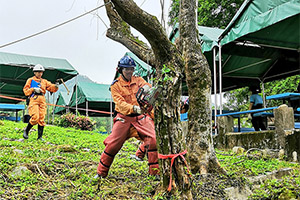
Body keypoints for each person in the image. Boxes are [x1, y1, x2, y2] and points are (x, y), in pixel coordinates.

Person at [96, 55, 159, 178]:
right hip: (123, 118)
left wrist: (147, 88)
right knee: (113, 144)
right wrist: (133, 108)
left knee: (153, 139)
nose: (129, 71)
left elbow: (147, 86)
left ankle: (154, 173)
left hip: (140, 118)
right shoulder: (115, 86)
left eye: (131, 69)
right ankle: (101, 173)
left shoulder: (138, 79)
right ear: (120, 70)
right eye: (126, 69)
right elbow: (119, 103)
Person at [23, 64, 59, 140]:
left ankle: (40, 137)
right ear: (34, 72)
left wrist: (56, 86)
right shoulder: (30, 80)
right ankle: (26, 130)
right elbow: (25, 91)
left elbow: (51, 88)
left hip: (42, 99)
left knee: (41, 118)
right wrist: (33, 89)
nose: (40, 73)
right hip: (34, 98)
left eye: (41, 72)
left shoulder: (44, 81)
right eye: (38, 72)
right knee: (35, 117)